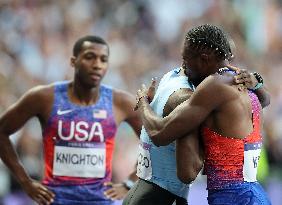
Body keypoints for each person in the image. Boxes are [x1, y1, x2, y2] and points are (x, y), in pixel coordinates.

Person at [135, 24, 271, 205]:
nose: (183, 66)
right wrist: (259, 84)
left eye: (186, 60)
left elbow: (159, 134)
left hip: (232, 198)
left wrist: (144, 102)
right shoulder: (245, 82)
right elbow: (266, 100)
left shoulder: (215, 85)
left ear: (204, 59)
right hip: (254, 194)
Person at [0, 35, 141, 205]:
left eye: (103, 60)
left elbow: (155, 141)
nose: (97, 65)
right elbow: (2, 131)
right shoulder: (44, 98)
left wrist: (130, 182)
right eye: (90, 57)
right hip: (56, 200)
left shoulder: (120, 102)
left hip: (101, 201)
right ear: (73, 61)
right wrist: (26, 182)